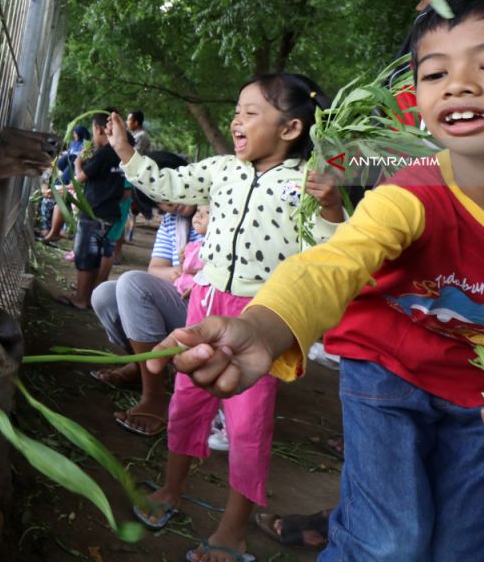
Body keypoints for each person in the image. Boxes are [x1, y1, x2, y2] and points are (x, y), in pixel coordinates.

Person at [149, 0, 484, 562]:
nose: (458, 84)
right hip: (387, 368)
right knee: (389, 543)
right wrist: (268, 325)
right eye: (433, 74)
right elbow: (333, 262)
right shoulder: (416, 191)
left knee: (464, 550)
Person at [104, 75, 343, 562]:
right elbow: (167, 183)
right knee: (186, 401)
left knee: (248, 426)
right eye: (237, 110)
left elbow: (331, 249)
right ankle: (171, 490)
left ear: (291, 128)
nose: (237, 120)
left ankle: (232, 529)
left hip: (263, 318)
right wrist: (127, 153)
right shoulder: (220, 170)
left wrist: (333, 207)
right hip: (205, 304)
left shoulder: (306, 186)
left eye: (250, 112)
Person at [90, 152, 194, 437]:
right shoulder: (174, 222)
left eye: (171, 194)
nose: (172, 206)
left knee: (132, 284)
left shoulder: (217, 212)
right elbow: (156, 268)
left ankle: (155, 397)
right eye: (164, 203)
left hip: (204, 308)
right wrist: (178, 272)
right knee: (104, 294)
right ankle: (142, 367)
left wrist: (190, 272)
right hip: (180, 295)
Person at [55, 112, 126, 309]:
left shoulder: (105, 153)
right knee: (95, 254)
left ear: (99, 128)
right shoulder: (121, 152)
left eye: (94, 130)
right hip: (110, 210)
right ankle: (86, 294)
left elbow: (79, 179)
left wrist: (78, 164)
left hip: (95, 211)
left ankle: (81, 299)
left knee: (85, 254)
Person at [39, 125, 91, 243]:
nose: (74, 135)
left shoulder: (88, 146)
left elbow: (84, 161)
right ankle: (48, 231)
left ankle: (60, 232)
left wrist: (76, 159)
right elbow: (58, 165)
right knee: (50, 201)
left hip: (77, 179)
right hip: (67, 176)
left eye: (76, 133)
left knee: (62, 202)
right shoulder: (72, 145)